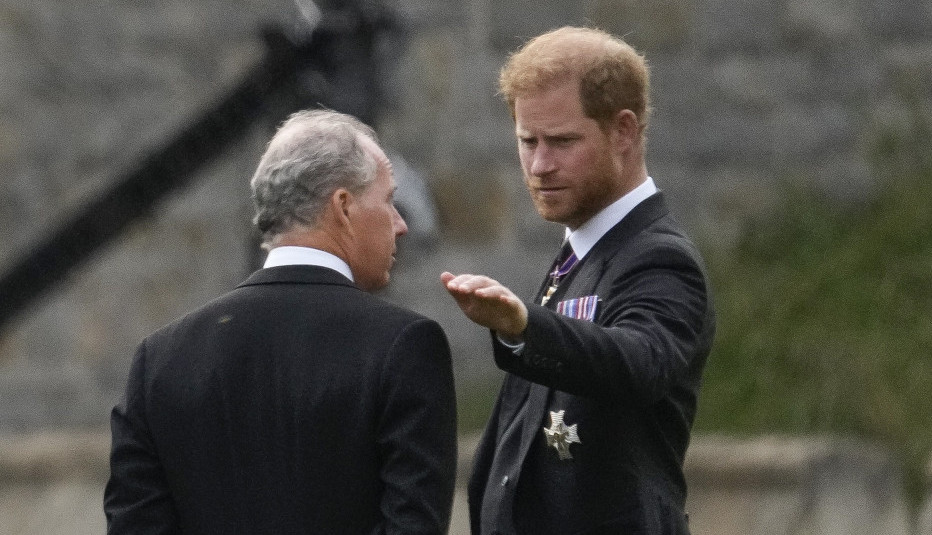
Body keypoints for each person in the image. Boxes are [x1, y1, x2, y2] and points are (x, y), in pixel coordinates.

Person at [105, 109, 457, 534]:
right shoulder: (404, 346)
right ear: (343, 206)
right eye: (388, 201)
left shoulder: (160, 360)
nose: (401, 224)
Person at [442, 27, 715, 534]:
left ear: (624, 132)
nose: (541, 166)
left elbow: (639, 362)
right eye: (528, 141)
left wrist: (526, 326)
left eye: (563, 141)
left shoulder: (658, 257)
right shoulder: (581, 251)